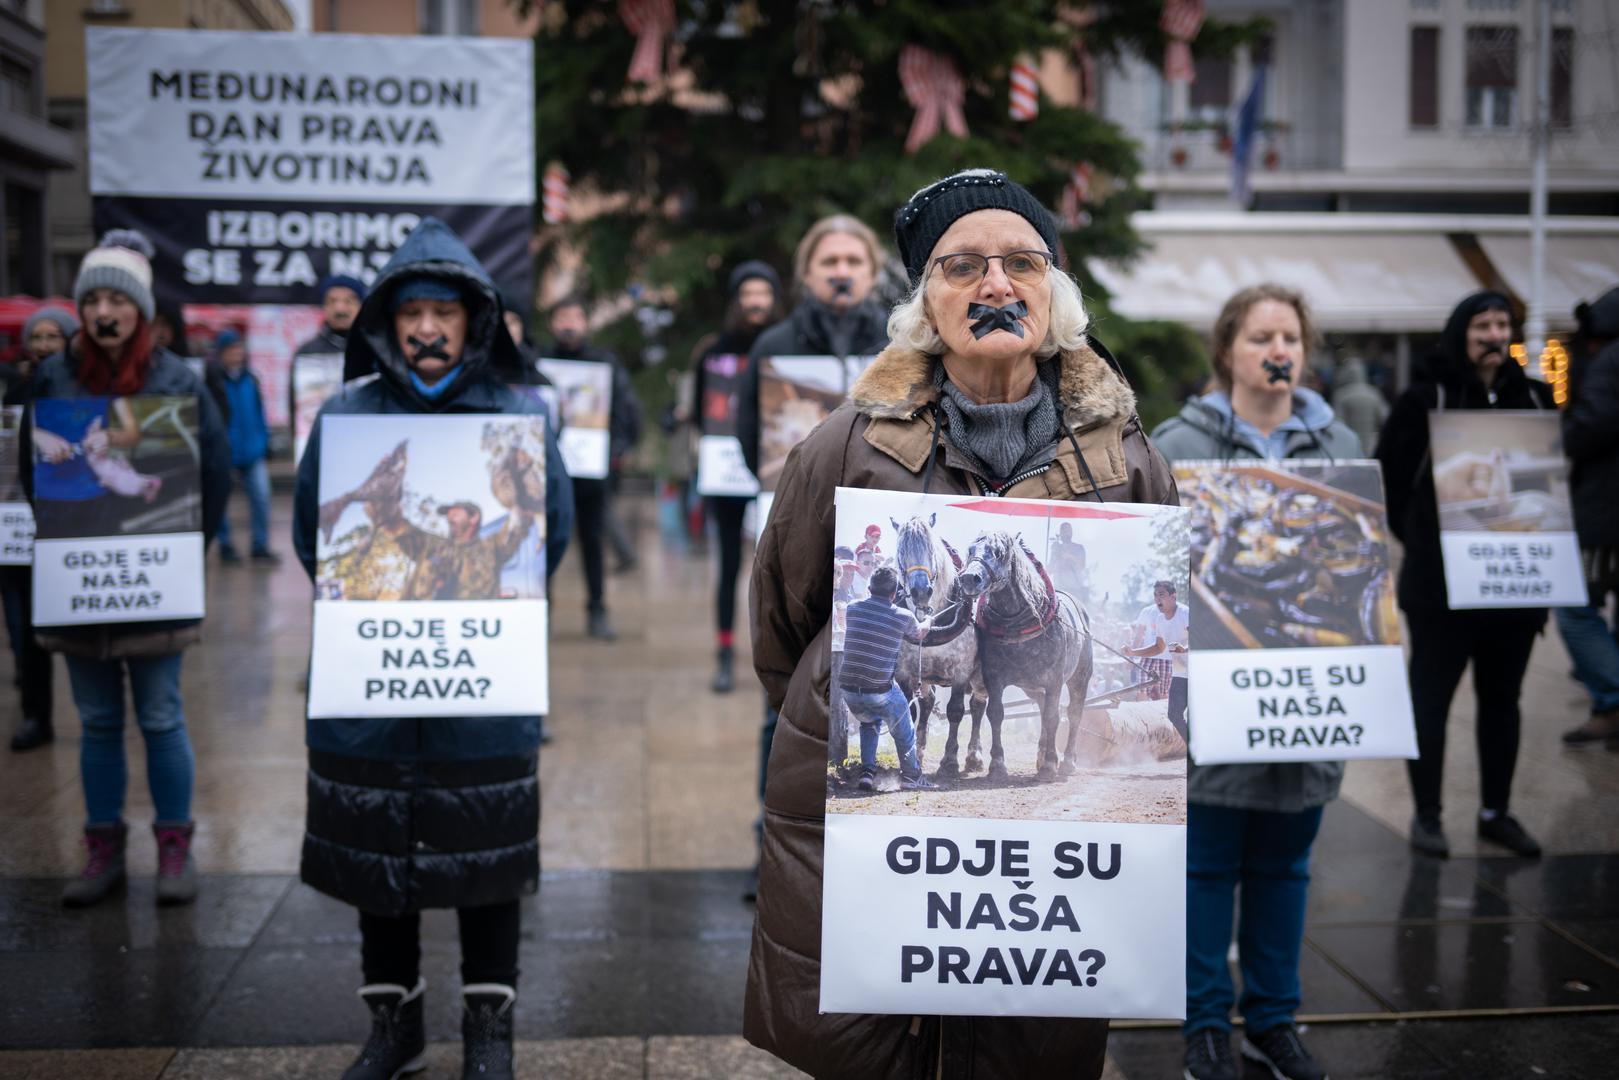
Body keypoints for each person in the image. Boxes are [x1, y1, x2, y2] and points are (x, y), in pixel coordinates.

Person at [746, 169, 1175, 1079]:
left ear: (1053, 293)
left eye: (1022, 262)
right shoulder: (843, 445)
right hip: (872, 825)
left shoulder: (1130, 457)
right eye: (961, 266)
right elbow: (786, 624)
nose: (994, 286)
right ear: (922, 302)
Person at [293, 217, 572, 1080]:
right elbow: (314, 538)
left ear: (472, 321)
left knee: (485, 849)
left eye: (441, 313)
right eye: (410, 312)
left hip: (482, 676)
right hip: (374, 676)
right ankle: (394, 1023)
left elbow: (548, 535)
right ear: (385, 321)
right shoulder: (345, 414)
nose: (425, 329)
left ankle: (490, 1027)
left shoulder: (518, 418)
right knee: (379, 852)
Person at [1152, 283, 1361, 1080]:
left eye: (1290, 338)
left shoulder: (1336, 438)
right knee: (1206, 863)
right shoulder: (1179, 441)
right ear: (1227, 351)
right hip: (1214, 690)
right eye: (1260, 337)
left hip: (1305, 688)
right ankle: (1204, 1021)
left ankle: (1270, 1020)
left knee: (1285, 862)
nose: (1278, 351)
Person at [23, 230, 230, 907]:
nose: (103, 313)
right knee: (98, 720)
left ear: (140, 310)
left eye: (118, 299)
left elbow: (214, 478)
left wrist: (178, 552)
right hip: (79, 581)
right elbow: (29, 470)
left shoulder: (177, 380)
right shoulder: (51, 379)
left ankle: (174, 847)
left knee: (163, 715)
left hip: (154, 581)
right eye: (93, 301)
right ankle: (102, 848)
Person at [738, 215, 891, 900]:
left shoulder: (901, 343)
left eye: (852, 259)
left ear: (871, 272)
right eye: (828, 258)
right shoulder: (774, 346)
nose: (840, 270)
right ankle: (773, 843)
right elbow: (751, 439)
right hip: (802, 543)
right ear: (806, 273)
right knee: (789, 698)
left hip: (877, 549)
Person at [1377, 290, 1555, 860]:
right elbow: (1391, 477)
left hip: (1514, 586)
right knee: (1431, 701)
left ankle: (1495, 812)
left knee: (1503, 701)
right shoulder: (1424, 397)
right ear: (1462, 332)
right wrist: (1426, 537)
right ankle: (1428, 815)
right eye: (1484, 325)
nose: (1496, 335)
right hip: (1441, 592)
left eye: (1504, 324)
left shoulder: (1535, 396)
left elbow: (1545, 487)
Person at [694, 260, 782, 692]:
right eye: (748, 294)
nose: (756, 302)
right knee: (728, 565)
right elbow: (700, 412)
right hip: (727, 472)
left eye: (763, 294)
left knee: (784, 565)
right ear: (736, 300)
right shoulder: (713, 353)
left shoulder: (783, 348)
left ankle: (781, 656)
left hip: (776, 472)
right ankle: (725, 653)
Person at [541, 297, 641, 640]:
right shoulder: (539, 364)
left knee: (593, 541)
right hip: (547, 472)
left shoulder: (605, 364)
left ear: (586, 324)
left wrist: (617, 449)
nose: (569, 324)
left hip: (591, 471)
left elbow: (627, 411)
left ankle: (597, 610)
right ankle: (542, 611)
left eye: (575, 317)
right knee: (544, 540)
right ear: (553, 323)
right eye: (562, 317)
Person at [3, 307, 77, 751]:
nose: (44, 344)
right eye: (38, 336)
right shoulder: (12, 386)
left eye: (54, 335)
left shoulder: (74, 388)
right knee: (22, 629)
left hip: (67, 522)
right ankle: (36, 713)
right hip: (15, 526)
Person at [1555, 285, 1619, 744]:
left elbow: (1586, 430)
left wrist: (1564, 433)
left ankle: (1614, 697)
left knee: (1576, 608)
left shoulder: (1609, 363)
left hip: (1604, 509)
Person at [840, 565, 936, 791]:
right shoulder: (903, 616)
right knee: (904, 729)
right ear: (894, 594)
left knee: (868, 721)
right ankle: (912, 776)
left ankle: (867, 771)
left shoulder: (853, 608)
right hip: (879, 691)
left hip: (849, 692)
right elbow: (920, 632)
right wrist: (929, 620)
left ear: (870, 588)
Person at [205, 328, 278, 565]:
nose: (237, 354)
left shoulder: (251, 378)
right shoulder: (213, 381)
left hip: (252, 450)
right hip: (225, 452)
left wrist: (264, 441)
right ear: (221, 354)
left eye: (240, 349)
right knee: (220, 500)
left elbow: (259, 412)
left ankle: (260, 545)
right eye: (232, 350)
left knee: (262, 497)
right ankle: (225, 545)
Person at [290, 274, 366, 440]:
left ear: (361, 305)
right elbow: (297, 411)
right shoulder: (306, 353)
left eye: (348, 301)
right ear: (324, 307)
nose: (340, 309)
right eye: (332, 301)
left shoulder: (375, 350)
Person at [1122, 580, 1189, 745]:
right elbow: (1158, 647)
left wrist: (1185, 649)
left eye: (1162, 595)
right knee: (1173, 714)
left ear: (1173, 597)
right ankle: (1194, 747)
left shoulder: (1185, 613)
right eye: (1155, 595)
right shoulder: (1159, 619)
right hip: (1180, 674)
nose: (1157, 599)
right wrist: (1133, 653)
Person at [1330, 355, 1389, 454]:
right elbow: (1384, 417)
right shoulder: (1374, 394)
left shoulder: (1341, 395)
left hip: (1348, 447)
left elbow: (1337, 422)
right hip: (1371, 446)